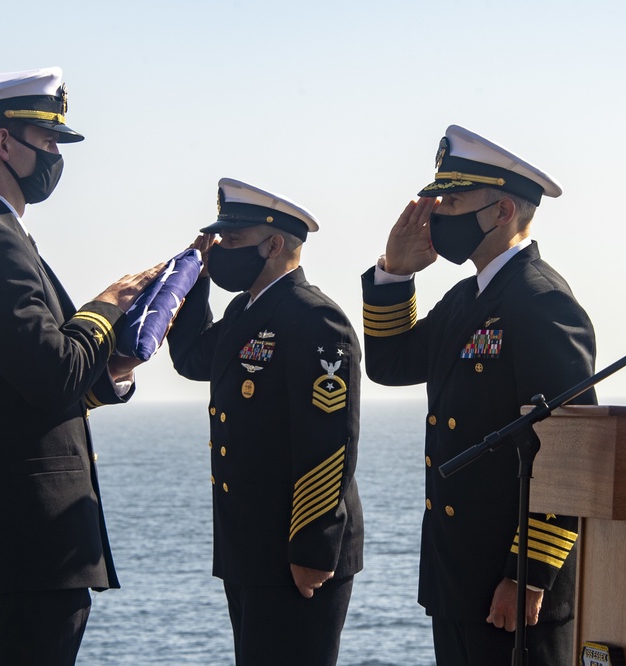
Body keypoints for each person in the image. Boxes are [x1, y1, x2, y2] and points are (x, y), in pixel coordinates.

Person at [0, 67, 161, 665]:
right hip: (18, 546)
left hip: (9, 547)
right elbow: (50, 373)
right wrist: (108, 304)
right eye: (46, 141)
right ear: (1, 143)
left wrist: (113, 365)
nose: (54, 157)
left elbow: (21, 385)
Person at [361, 125, 596, 665]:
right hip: (461, 579)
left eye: (452, 198)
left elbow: (569, 453)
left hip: (510, 587)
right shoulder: (467, 298)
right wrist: (394, 273)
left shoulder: (541, 302)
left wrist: (528, 576)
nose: (436, 210)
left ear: (502, 211)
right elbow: (393, 364)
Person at [167, 178, 364, 666]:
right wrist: (195, 282)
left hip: (294, 549)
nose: (220, 251)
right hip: (252, 546)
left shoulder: (314, 318)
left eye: (231, 241)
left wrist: (312, 549)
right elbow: (193, 357)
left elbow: (329, 442)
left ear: (273, 244)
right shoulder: (246, 311)